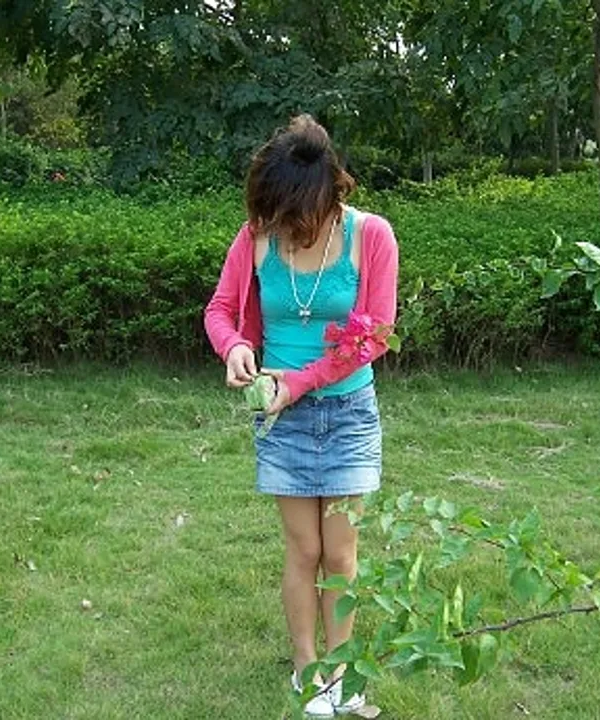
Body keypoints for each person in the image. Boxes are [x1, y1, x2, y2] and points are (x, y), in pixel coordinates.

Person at [204, 115, 399, 718]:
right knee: (303, 550)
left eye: (295, 212)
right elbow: (220, 310)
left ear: (328, 192)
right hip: (280, 421)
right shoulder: (255, 237)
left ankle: (342, 672)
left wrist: (300, 382)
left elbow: (374, 337)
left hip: (349, 414)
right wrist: (234, 346)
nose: (285, 224)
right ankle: (307, 670)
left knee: (340, 554)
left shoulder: (372, 236)